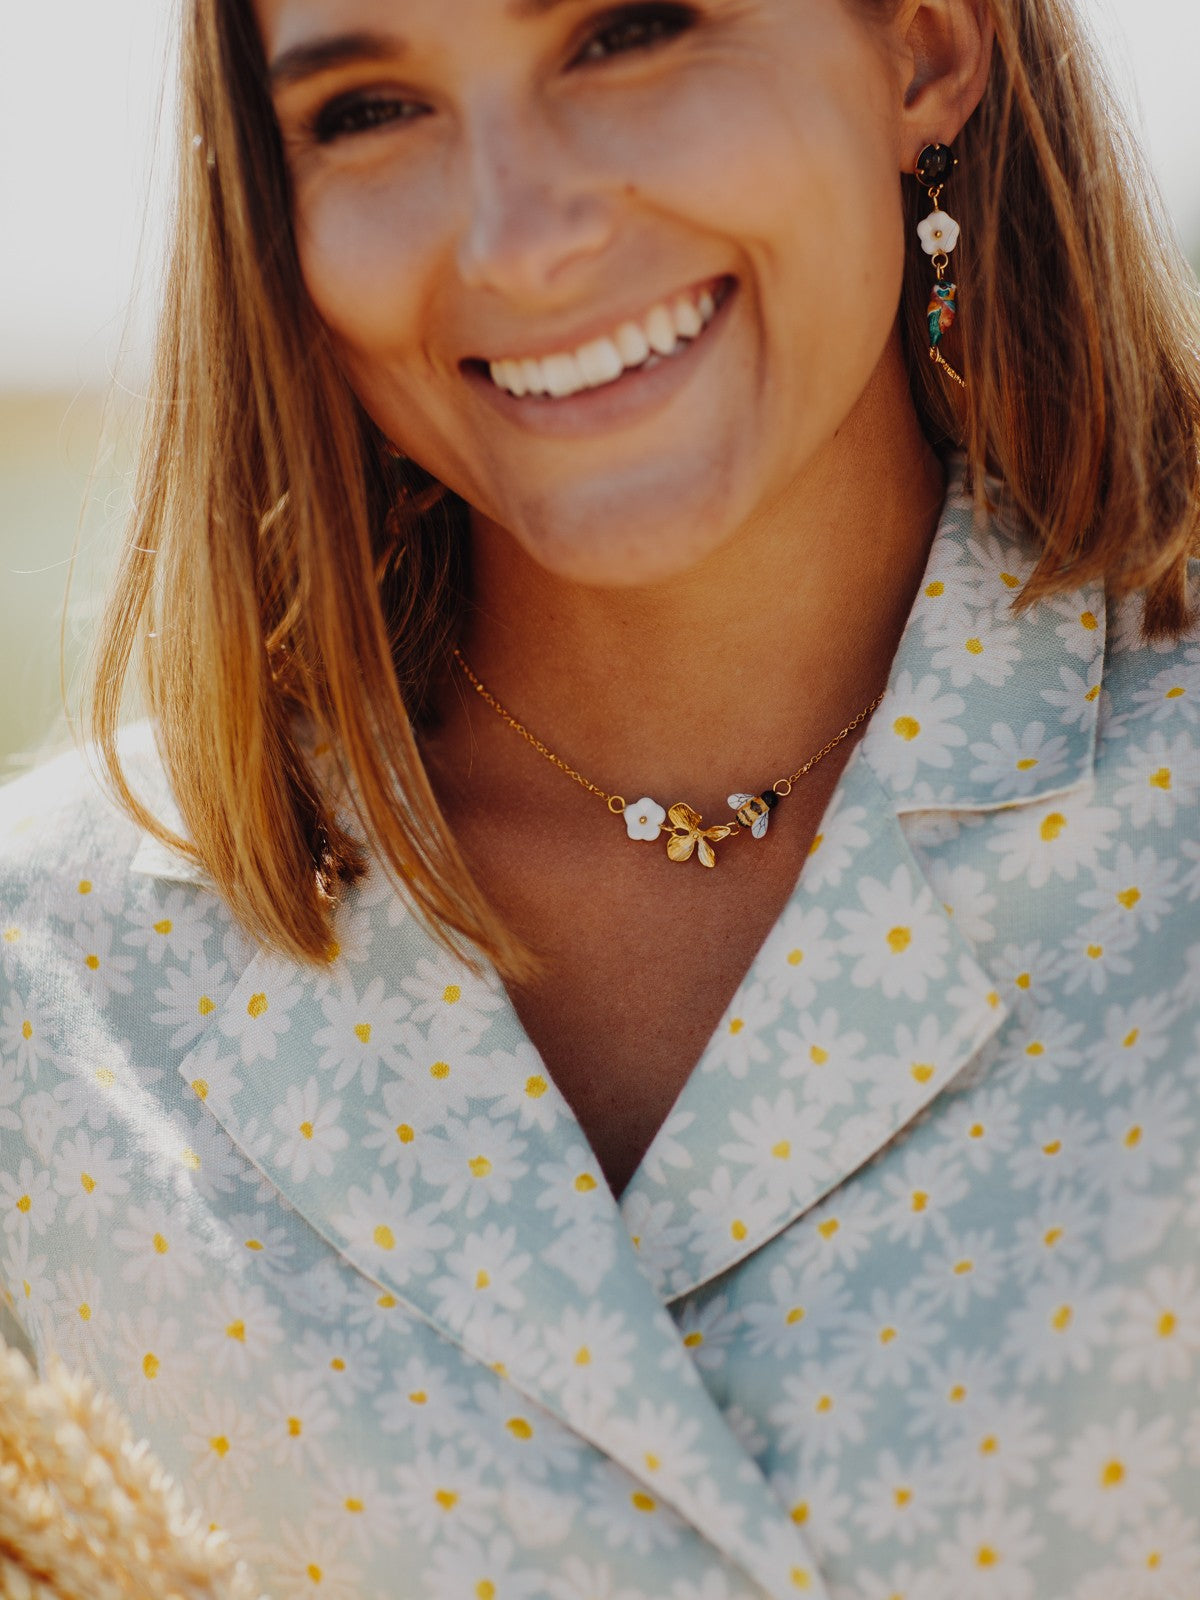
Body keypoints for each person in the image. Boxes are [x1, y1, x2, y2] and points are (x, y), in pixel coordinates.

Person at [2, 0, 1199, 1594]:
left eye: (626, 31)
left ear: (922, 47)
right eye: (365, 111)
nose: (522, 236)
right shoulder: (53, 986)